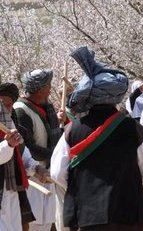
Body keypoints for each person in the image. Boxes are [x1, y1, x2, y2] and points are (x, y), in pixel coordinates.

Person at [50, 46, 143, 231]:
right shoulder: (133, 129)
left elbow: (57, 173)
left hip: (86, 215)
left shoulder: (71, 130)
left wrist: (82, 188)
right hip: (127, 213)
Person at [14, 69, 64, 231]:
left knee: (47, 221)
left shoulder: (45, 108)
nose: (51, 89)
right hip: (33, 178)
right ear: (40, 89)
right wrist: (56, 156)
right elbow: (26, 147)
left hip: (48, 174)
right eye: (48, 85)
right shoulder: (21, 110)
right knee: (34, 223)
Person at [0, 83, 47, 231]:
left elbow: (22, 152)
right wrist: (7, 146)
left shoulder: (11, 123)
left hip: (12, 189)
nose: (6, 109)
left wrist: (36, 167)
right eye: (3, 105)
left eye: (9, 105)